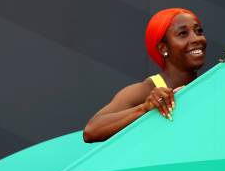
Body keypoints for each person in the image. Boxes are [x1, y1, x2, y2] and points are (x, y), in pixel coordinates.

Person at [83, 8, 206, 143]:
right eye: (183, 33)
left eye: (198, 31)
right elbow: (92, 130)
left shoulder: (208, 85)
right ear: (163, 48)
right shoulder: (147, 89)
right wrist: (145, 108)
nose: (196, 39)